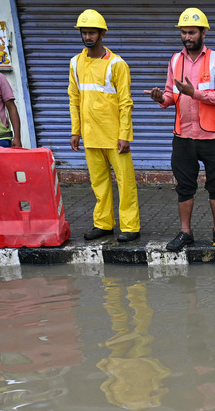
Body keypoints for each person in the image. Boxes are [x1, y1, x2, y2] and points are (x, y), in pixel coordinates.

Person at [145, 7, 215, 252]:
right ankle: (186, 233)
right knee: (184, 186)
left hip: (212, 136)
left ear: (203, 32)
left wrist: (194, 93)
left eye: (192, 32)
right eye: (184, 33)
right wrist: (160, 98)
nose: (187, 37)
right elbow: (171, 97)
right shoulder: (175, 60)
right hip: (183, 136)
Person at [69, 9, 141, 243]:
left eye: (92, 33)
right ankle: (103, 223)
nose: (87, 37)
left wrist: (124, 135)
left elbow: (125, 103)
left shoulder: (117, 64)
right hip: (90, 136)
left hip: (113, 136)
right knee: (98, 183)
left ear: (102, 34)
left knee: (125, 182)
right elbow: (74, 98)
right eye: (84, 32)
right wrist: (75, 130)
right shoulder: (75, 63)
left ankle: (130, 226)